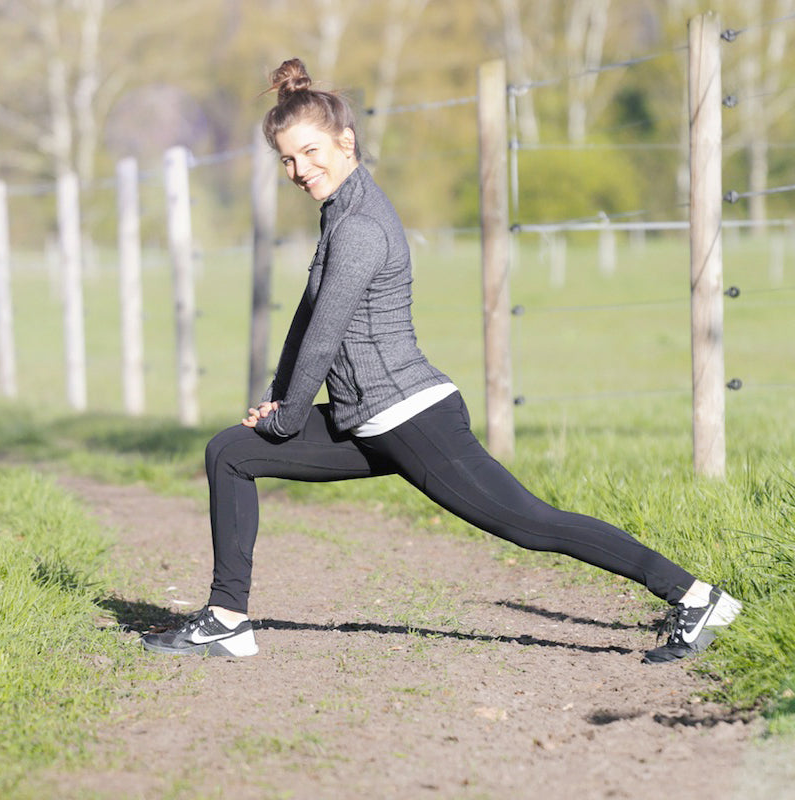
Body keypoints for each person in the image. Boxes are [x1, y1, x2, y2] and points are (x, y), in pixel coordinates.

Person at [142, 58, 740, 666]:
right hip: (363, 419)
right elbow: (306, 316)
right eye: (288, 159)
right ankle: (227, 620)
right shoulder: (340, 213)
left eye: (309, 152)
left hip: (410, 419)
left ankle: (697, 596)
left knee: (532, 525)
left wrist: (288, 418)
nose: (299, 170)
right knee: (231, 452)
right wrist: (279, 399)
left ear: (346, 142)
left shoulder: (361, 226)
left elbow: (324, 338)